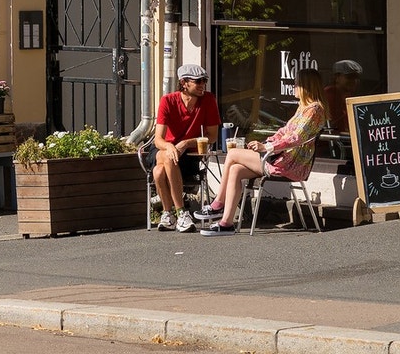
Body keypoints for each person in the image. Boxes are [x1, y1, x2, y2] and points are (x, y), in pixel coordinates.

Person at [197, 66, 326, 235]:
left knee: (233, 154)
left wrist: (267, 147)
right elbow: (284, 131)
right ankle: (226, 223)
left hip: (290, 165)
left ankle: (218, 204)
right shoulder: (303, 108)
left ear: (306, 86)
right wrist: (267, 141)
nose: (293, 86)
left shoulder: (314, 110)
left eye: (296, 84)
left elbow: (296, 138)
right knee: (235, 169)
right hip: (280, 160)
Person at [149, 63, 220, 232]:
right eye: (198, 81)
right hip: (164, 150)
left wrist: (186, 143)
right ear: (184, 82)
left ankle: (168, 215)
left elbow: (212, 136)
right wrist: (169, 146)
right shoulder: (168, 100)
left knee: (158, 172)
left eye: (204, 80)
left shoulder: (208, 100)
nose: (202, 84)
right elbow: (158, 139)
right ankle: (182, 213)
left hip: (190, 153)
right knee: (166, 156)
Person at [323, 59, 362, 133]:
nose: (354, 81)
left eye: (356, 77)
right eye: (349, 77)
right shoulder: (328, 95)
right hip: (332, 141)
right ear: (337, 77)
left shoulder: (350, 96)